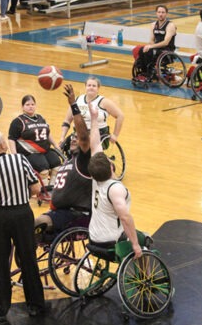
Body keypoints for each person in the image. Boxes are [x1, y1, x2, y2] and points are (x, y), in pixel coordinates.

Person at [0, 131, 46, 323]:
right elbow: (36, 188)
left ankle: (0, 310)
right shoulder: (19, 161)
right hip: (21, 213)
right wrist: (23, 196)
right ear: (4, 145)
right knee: (28, 258)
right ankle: (35, 306)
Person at [34, 84, 93, 235]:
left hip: (76, 215)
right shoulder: (69, 160)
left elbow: (84, 136)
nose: (73, 140)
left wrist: (73, 104)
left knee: (36, 223)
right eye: (72, 137)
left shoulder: (84, 161)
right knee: (27, 223)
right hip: (59, 212)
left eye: (77, 138)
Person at [87, 100, 142, 259]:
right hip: (110, 240)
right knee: (145, 241)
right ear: (111, 168)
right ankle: (145, 281)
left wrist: (94, 118)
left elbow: (95, 144)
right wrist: (135, 245)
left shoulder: (95, 180)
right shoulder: (115, 189)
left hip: (93, 237)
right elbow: (125, 217)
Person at [8, 94, 62, 187]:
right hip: (30, 153)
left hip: (45, 150)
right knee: (44, 169)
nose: (30, 107)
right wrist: (15, 156)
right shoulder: (18, 121)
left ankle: (53, 187)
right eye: (27, 104)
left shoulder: (41, 118)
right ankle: (43, 190)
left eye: (32, 104)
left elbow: (47, 133)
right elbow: (11, 139)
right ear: (22, 107)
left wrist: (55, 144)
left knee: (57, 165)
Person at [59, 76, 124, 150]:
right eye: (89, 85)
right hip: (79, 134)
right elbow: (67, 120)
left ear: (98, 88)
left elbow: (120, 116)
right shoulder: (77, 100)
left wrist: (115, 135)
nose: (91, 87)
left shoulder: (104, 102)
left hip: (99, 134)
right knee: (66, 147)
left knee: (83, 147)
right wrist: (62, 137)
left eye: (94, 86)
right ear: (85, 87)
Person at [133, 5, 177, 78]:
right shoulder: (153, 25)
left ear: (166, 14)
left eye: (163, 12)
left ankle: (148, 72)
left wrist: (151, 47)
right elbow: (151, 40)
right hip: (157, 48)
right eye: (159, 12)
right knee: (141, 50)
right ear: (156, 13)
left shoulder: (170, 25)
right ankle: (144, 71)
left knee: (149, 51)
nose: (161, 14)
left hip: (167, 50)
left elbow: (165, 42)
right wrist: (150, 46)